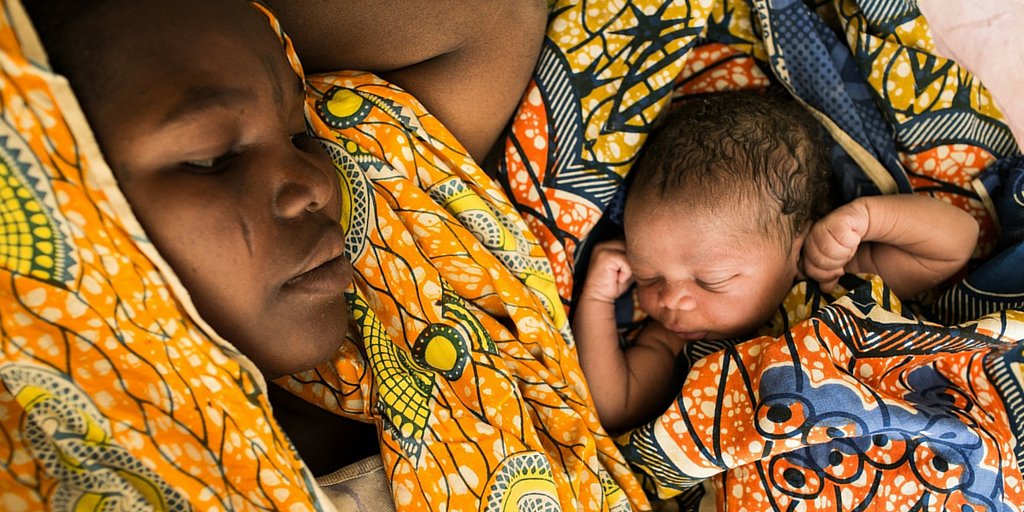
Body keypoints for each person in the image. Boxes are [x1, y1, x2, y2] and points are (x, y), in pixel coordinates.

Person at [23, 0, 544, 500]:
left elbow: (494, 14)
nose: (316, 183)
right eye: (212, 160)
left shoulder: (397, 254)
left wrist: (227, 21)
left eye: (298, 133)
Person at [573, 90, 981, 432]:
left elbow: (956, 244)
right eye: (648, 274)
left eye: (712, 279)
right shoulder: (675, 339)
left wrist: (868, 217)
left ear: (795, 245)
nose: (671, 299)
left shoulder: (833, 282)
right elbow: (614, 408)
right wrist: (595, 302)